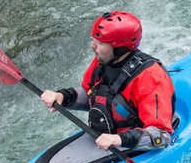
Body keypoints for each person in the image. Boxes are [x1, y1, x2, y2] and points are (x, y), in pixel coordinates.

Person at [41, 11, 176, 151]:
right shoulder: (103, 61)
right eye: (94, 40)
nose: (92, 45)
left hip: (132, 143)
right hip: (108, 137)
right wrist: (63, 96)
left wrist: (118, 139)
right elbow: (90, 94)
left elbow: (161, 136)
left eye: (100, 42)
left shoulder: (151, 78)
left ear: (119, 47)